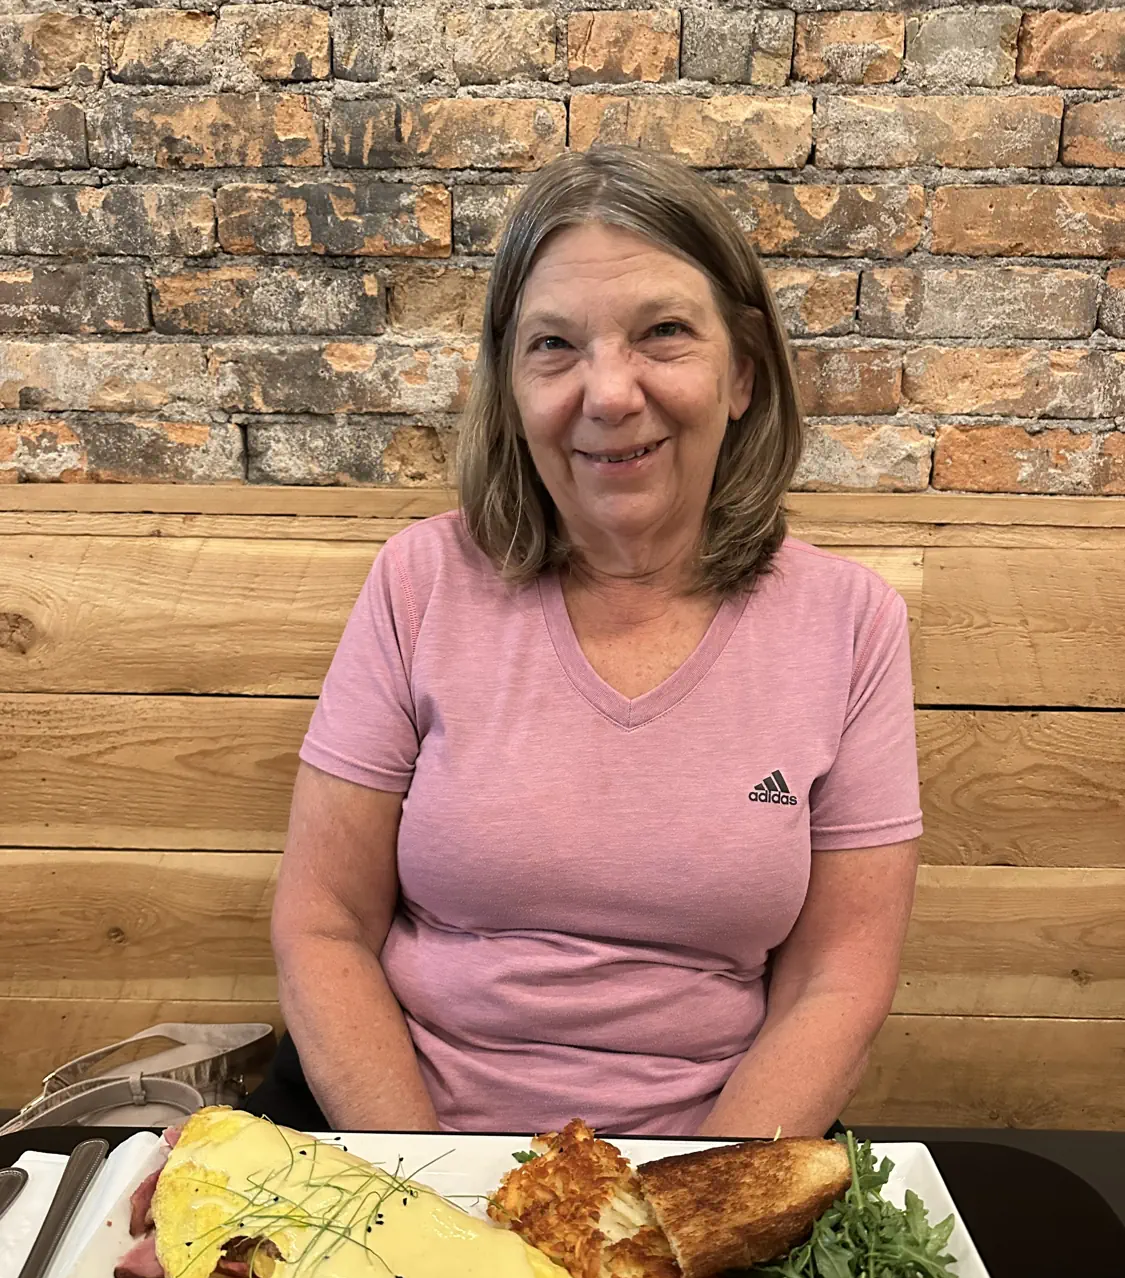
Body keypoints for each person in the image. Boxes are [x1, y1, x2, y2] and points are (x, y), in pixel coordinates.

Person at [257, 146, 921, 1140]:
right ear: (511, 387)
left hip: (710, 1160)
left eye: (663, 333)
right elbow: (323, 926)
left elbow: (838, 978)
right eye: (554, 346)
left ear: (742, 371)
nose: (608, 393)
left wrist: (691, 1206)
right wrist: (424, 1190)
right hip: (398, 1143)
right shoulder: (419, 582)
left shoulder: (852, 622)